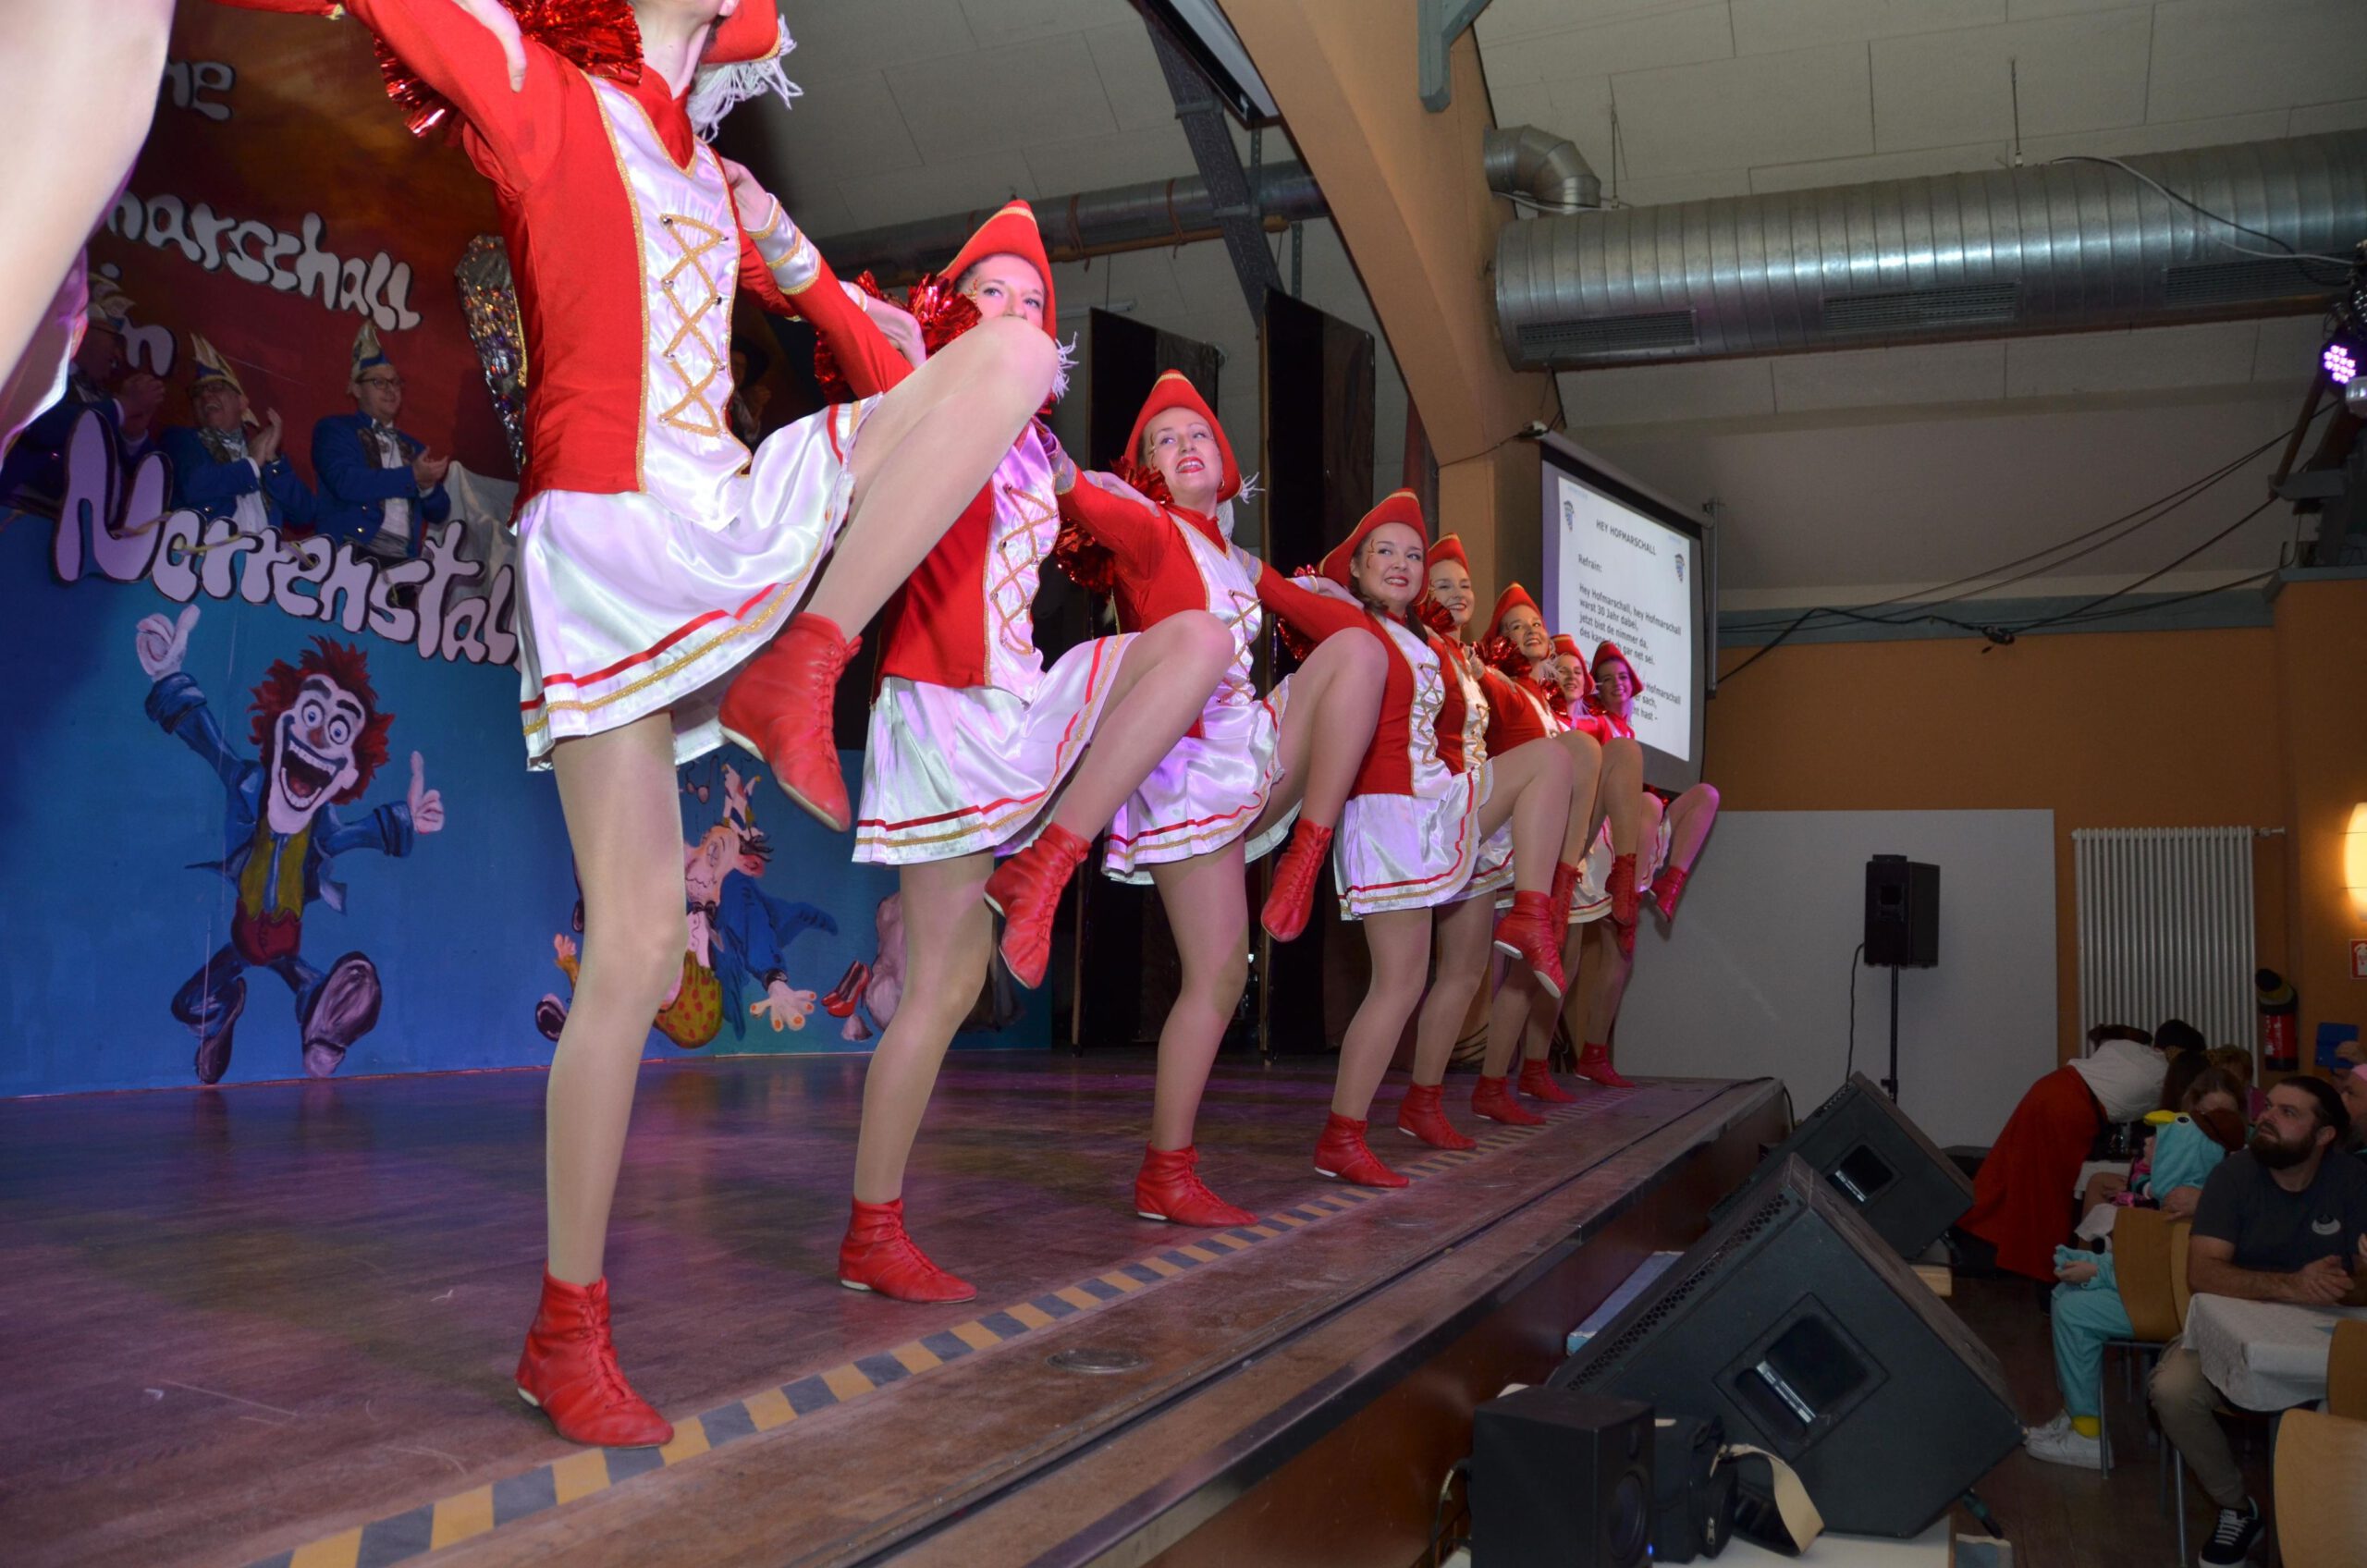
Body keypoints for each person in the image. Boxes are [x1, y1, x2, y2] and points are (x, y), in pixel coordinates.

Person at [270, 0, 1073, 1448]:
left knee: (1012, 365)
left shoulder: (717, 174)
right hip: (604, 535)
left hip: (718, 510)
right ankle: (565, 1329)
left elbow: (912, 381)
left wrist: (795, 258)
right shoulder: (538, 91)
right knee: (637, 948)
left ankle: (803, 659)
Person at [825, 202, 1234, 1301]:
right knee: (945, 987)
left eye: (1033, 301)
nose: (1014, 310)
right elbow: (844, 320)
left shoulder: (1039, 452)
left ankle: (1049, 863)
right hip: (940, 709)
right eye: (992, 292)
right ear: (953, 311)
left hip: (1022, 700)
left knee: (1196, 641)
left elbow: (1123, 525)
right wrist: (772, 238)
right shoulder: (925, 381)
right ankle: (872, 1229)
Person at [1052, 372, 1385, 1221]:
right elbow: (1078, 492)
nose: (1185, 444)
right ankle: (1165, 1172)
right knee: (1216, 978)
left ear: (1224, 457)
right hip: (1186, 769)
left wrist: (1332, 598)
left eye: (1197, 431)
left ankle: (1306, 856)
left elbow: (1349, 636)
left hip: (1253, 752)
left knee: (1360, 658)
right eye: (1163, 440)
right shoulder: (1149, 529)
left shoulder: (1239, 559)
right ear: (1148, 469)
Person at [1255, 495, 1573, 1188]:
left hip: (1437, 799)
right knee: (1397, 985)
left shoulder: (1422, 638)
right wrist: (1192, 530)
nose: (1401, 564)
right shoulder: (1349, 621)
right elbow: (1268, 586)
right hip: (1388, 816)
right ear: (1357, 567)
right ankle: (1342, 1137)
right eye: (1385, 552)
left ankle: (1530, 915)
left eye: (1411, 555)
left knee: (1555, 759)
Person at [2149, 1076, 2367, 1564]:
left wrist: (2346, 1282)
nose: (2266, 1117)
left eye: (2288, 1113)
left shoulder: (2354, 1181)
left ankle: (2329, 1529)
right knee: (2173, 1391)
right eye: (2269, 1106)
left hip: (2329, 1338)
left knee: (2346, 1396)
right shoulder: (2234, 1176)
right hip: (2230, 1332)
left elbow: (2362, 1281)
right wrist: (2293, 1286)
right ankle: (2236, 1506)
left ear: (2324, 1135)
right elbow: (2203, 1272)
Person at [2023, 1068, 2247, 1470]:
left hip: (2183, 1302)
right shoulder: (2182, 1183)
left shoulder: (2212, 1189)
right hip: (2161, 1289)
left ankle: (2088, 1434)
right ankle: (2078, 1413)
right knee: (2066, 1294)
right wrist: (2097, 1266)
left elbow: (2166, 1264)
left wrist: (2099, 1271)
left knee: (2075, 1311)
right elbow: (2150, 1258)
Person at [1958, 1023, 2176, 1281]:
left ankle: (1984, 1238)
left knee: (2015, 1174)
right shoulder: (2161, 1076)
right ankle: (2039, 1266)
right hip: (2070, 1109)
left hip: (2053, 1088)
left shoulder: (2126, 1055)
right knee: (2048, 1194)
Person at [0, 274, 166, 506]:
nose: (118, 355)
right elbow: (42, 428)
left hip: (84, 521)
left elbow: (145, 478)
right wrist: (123, 406)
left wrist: (133, 435)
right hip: (22, 507)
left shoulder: (105, 398)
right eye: (115, 340)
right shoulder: (36, 372)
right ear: (83, 330)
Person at [311, 324, 450, 560]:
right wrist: (411, 476)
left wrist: (428, 486)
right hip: (349, 554)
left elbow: (440, 513)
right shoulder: (336, 429)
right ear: (356, 389)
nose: (391, 390)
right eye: (379, 382)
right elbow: (346, 482)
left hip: (403, 562)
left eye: (395, 382)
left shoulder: (413, 448)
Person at [158, 335, 313, 532]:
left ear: (241, 402)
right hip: (204, 550)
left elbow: (304, 513)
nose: (205, 396)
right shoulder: (180, 440)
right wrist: (252, 465)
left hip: (262, 551)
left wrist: (272, 461)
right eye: (197, 393)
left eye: (216, 388)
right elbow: (193, 486)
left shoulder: (260, 453)